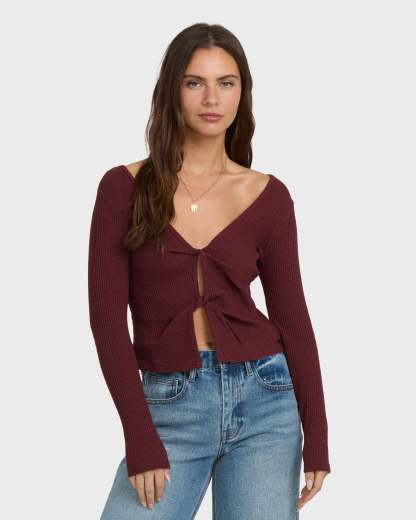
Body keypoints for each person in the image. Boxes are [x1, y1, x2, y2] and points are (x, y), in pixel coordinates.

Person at [88, 22, 331, 520]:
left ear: (243, 93)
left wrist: (319, 438)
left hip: (266, 402)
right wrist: (139, 435)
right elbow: (107, 321)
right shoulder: (122, 188)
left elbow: (293, 320)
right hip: (169, 404)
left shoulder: (267, 196)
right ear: (172, 90)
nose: (212, 98)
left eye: (226, 83)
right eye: (195, 82)